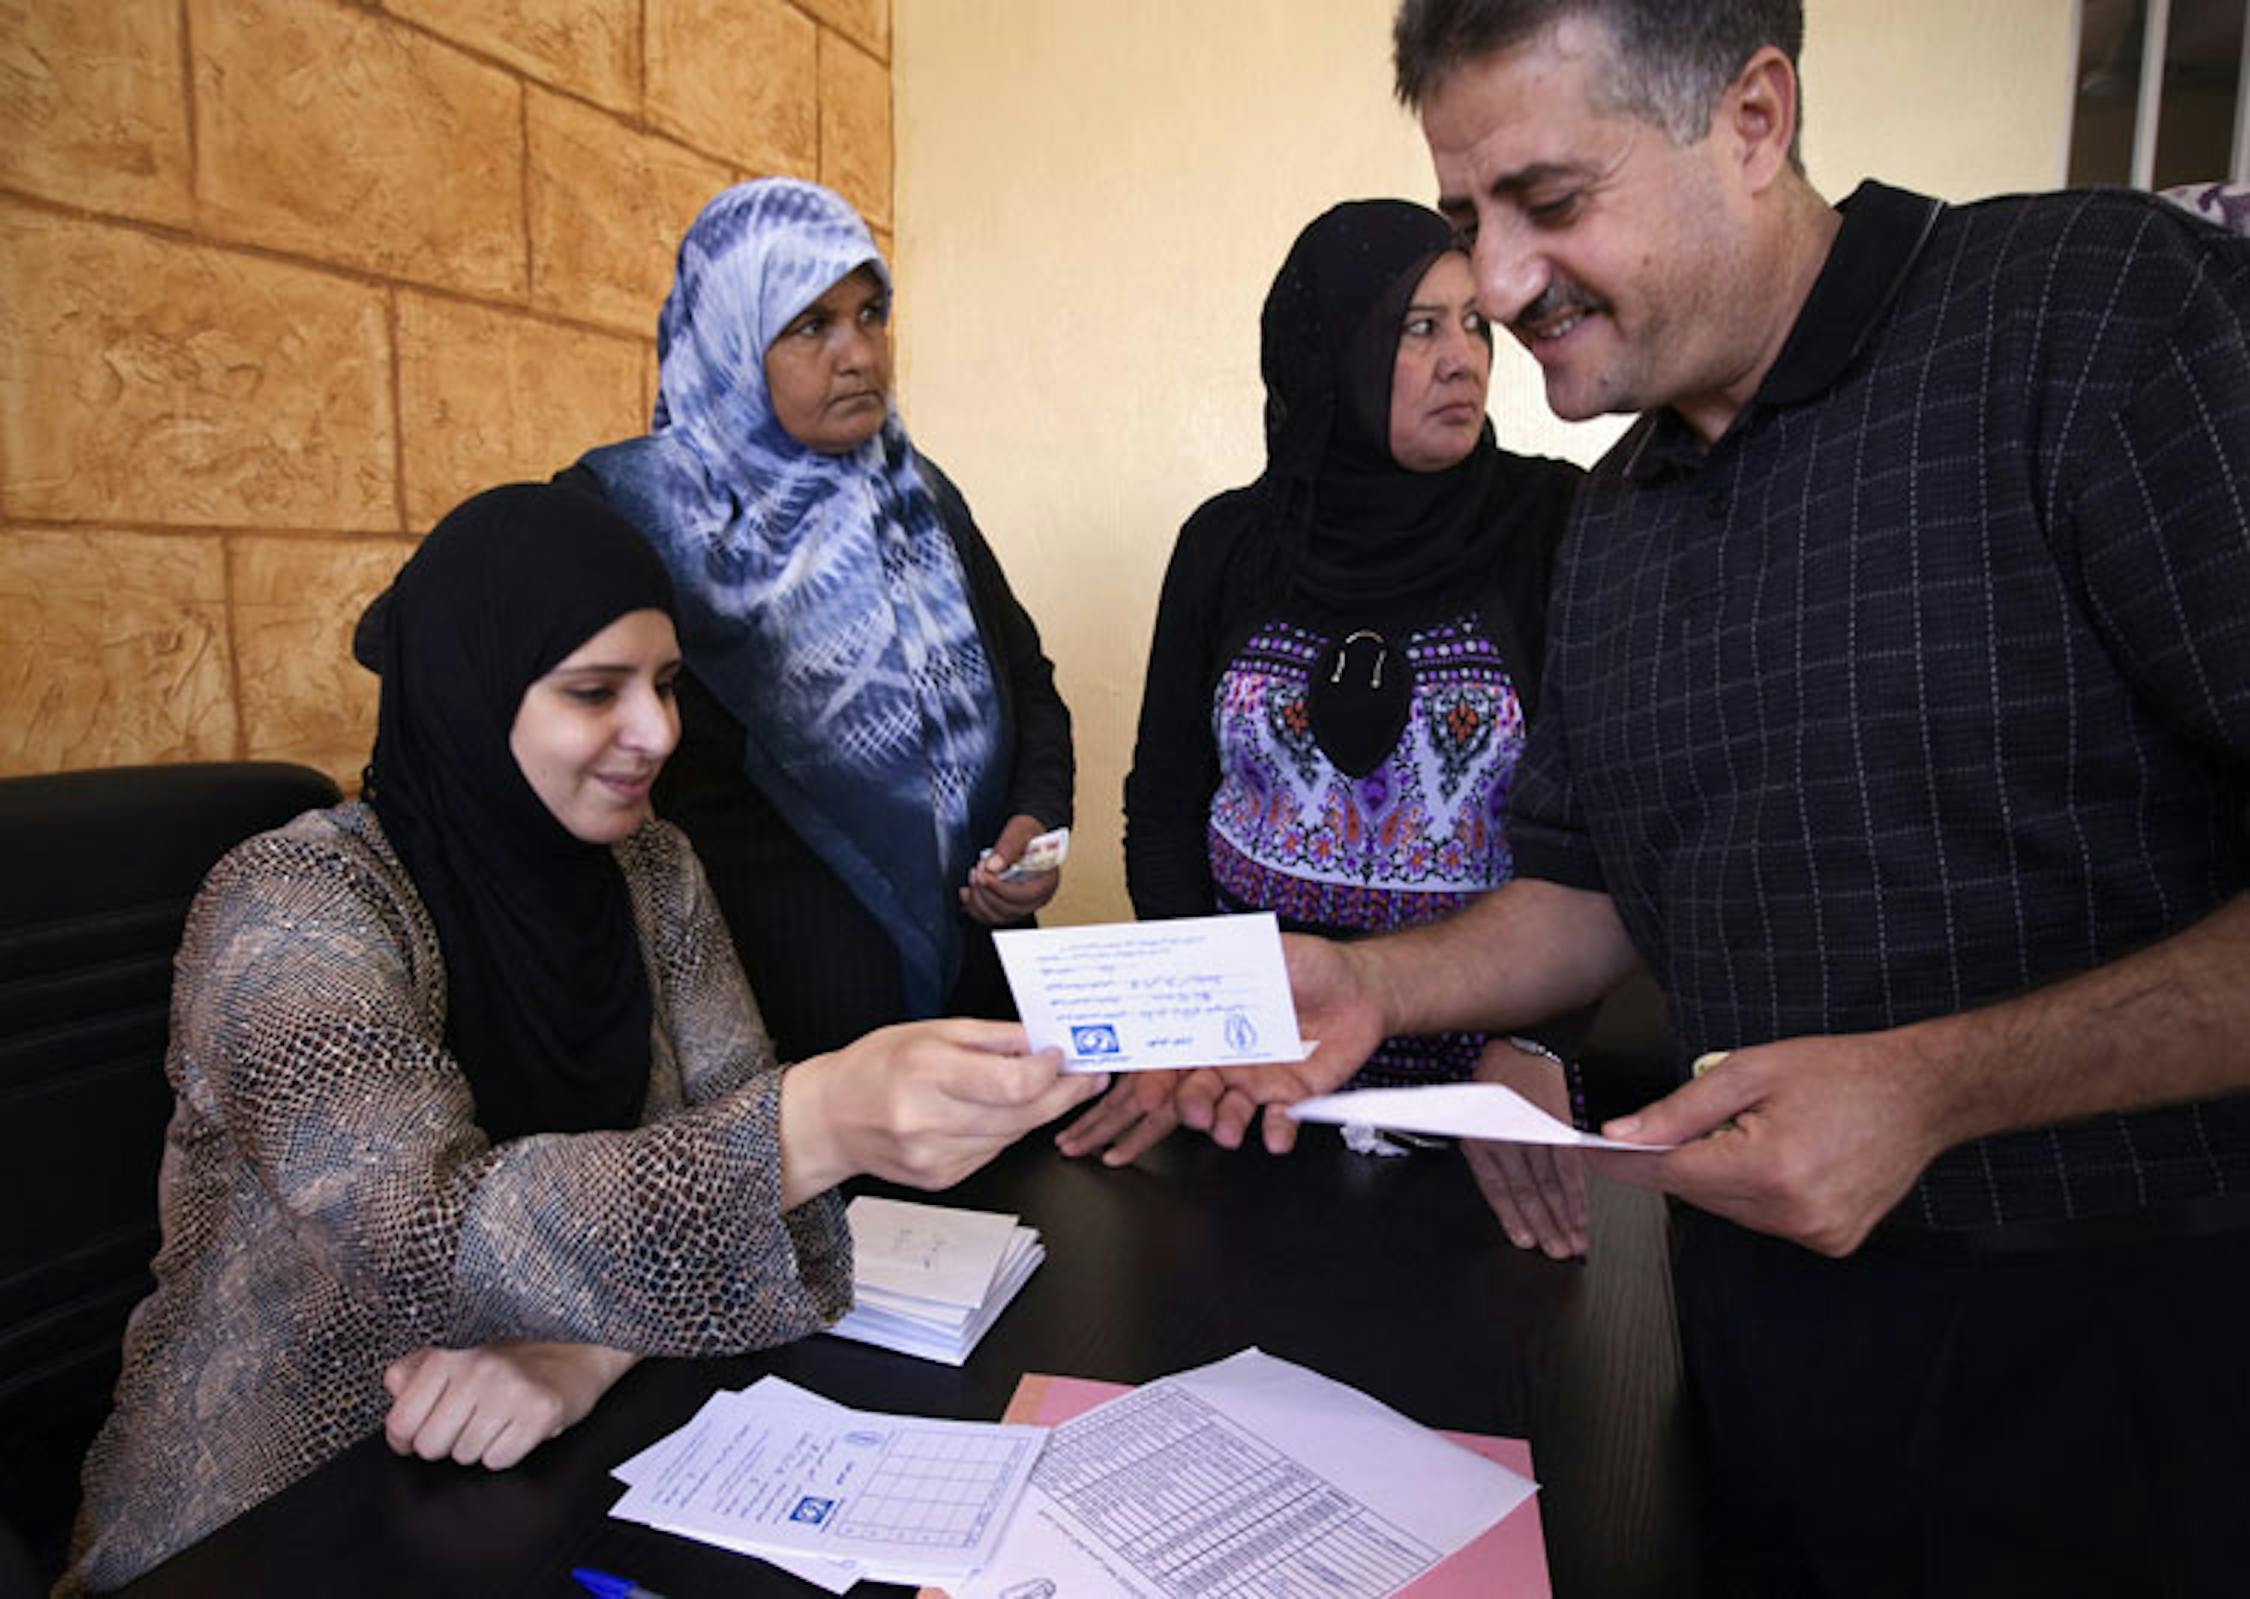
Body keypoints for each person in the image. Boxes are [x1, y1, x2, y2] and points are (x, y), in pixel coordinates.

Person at [1171, 1, 2250, 1592]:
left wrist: (1936, 1086)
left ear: (1751, 120)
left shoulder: (2092, 325)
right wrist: (1370, 980)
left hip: (2138, 1372)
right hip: (1752, 1366)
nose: (1503, 284)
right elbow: (1590, 888)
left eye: (1548, 202)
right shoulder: (1612, 515)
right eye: (1471, 218)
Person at [61, 483, 1100, 1592]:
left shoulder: (650, 870)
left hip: (545, 1480)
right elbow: (425, 1244)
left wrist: (591, 1349)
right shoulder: (293, 902)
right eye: (594, 692)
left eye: (664, 685)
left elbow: (757, 1170)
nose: (656, 734)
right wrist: (818, 1118)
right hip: (273, 1509)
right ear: (472, 693)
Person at [1056, 200, 1584, 1182]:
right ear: (1330, 347)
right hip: (1249, 1068)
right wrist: (1197, 1022)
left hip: (1485, 1082)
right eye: (1418, 327)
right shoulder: (1228, 546)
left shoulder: (1550, 526)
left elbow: (1600, 829)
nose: (1464, 357)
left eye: (1475, 322)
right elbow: (1165, 807)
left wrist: (1544, 1039)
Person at [564, 177, 1073, 1064]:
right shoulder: (627, 513)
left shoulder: (920, 501)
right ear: (730, 339)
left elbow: (1028, 686)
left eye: (871, 314)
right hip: (766, 1046)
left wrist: (1032, 823)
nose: (861, 356)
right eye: (812, 325)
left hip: (979, 1006)